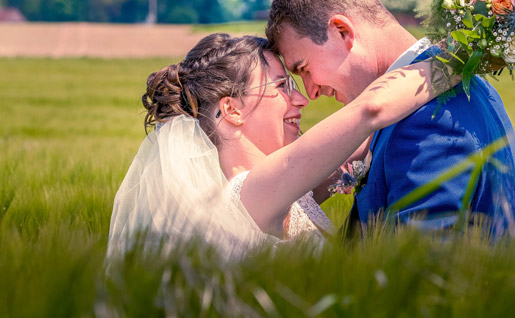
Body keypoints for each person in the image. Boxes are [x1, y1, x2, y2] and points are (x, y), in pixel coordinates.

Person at [107, 33, 455, 260]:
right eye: (281, 86)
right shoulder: (250, 195)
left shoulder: (287, 192)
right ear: (232, 110)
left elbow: (364, 146)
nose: (301, 99)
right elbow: (371, 111)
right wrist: (464, 54)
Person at [266, 0, 515, 236]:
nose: (311, 92)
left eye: (304, 68)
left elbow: (416, 271)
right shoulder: (461, 83)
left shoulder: (428, 118)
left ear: (341, 30)